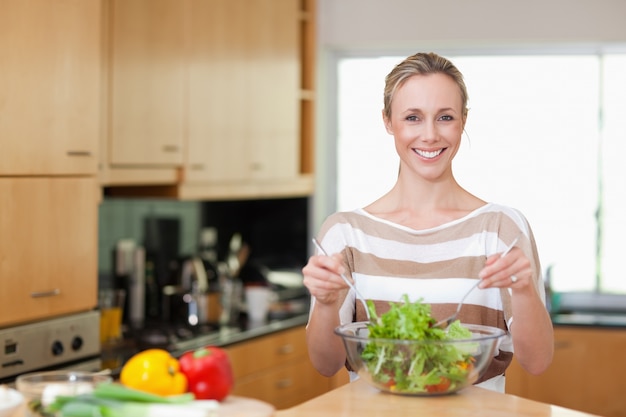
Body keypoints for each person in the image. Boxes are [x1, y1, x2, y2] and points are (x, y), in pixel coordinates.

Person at [302, 52, 554, 393]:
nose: (430, 135)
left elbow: (537, 362)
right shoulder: (345, 233)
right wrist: (328, 305)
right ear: (388, 122)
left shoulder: (500, 229)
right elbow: (325, 364)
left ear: (463, 120)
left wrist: (523, 291)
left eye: (445, 117)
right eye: (413, 117)